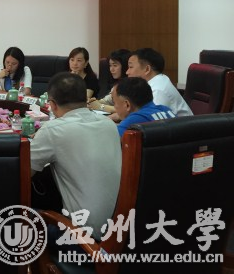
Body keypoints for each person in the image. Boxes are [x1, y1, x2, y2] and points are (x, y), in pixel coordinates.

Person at [29, 72, 121, 241]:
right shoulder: (109, 124)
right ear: (85, 99)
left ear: (52, 104)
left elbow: (23, 173)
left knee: (15, 219)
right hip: (120, 231)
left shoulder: (53, 130)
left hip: (84, 238)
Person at [126, 48, 193, 117]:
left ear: (147, 69)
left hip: (183, 124)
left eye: (131, 67)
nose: (127, 72)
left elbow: (152, 119)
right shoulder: (156, 81)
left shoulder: (158, 91)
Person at [112, 77, 176, 137]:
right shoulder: (166, 110)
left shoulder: (132, 122)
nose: (115, 107)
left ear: (127, 105)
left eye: (114, 103)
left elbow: (110, 140)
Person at [87, 48, 130, 118]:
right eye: (110, 65)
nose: (111, 69)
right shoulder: (117, 84)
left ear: (125, 66)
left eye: (115, 65)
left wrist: (101, 106)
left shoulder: (131, 85)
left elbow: (127, 110)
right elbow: (107, 100)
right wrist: (93, 102)